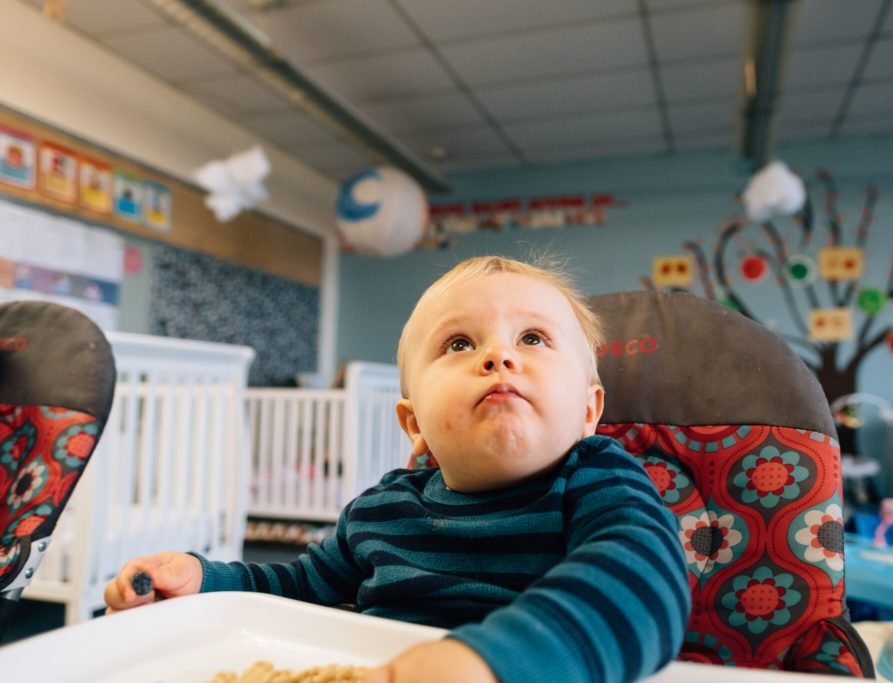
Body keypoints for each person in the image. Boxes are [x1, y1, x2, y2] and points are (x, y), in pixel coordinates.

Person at [105, 256, 691, 683]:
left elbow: (641, 580)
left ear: (589, 411)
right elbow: (301, 588)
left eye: (533, 337)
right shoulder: (382, 508)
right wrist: (205, 584)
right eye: (459, 344)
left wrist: (492, 663)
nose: (498, 355)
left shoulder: (596, 479)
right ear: (414, 425)